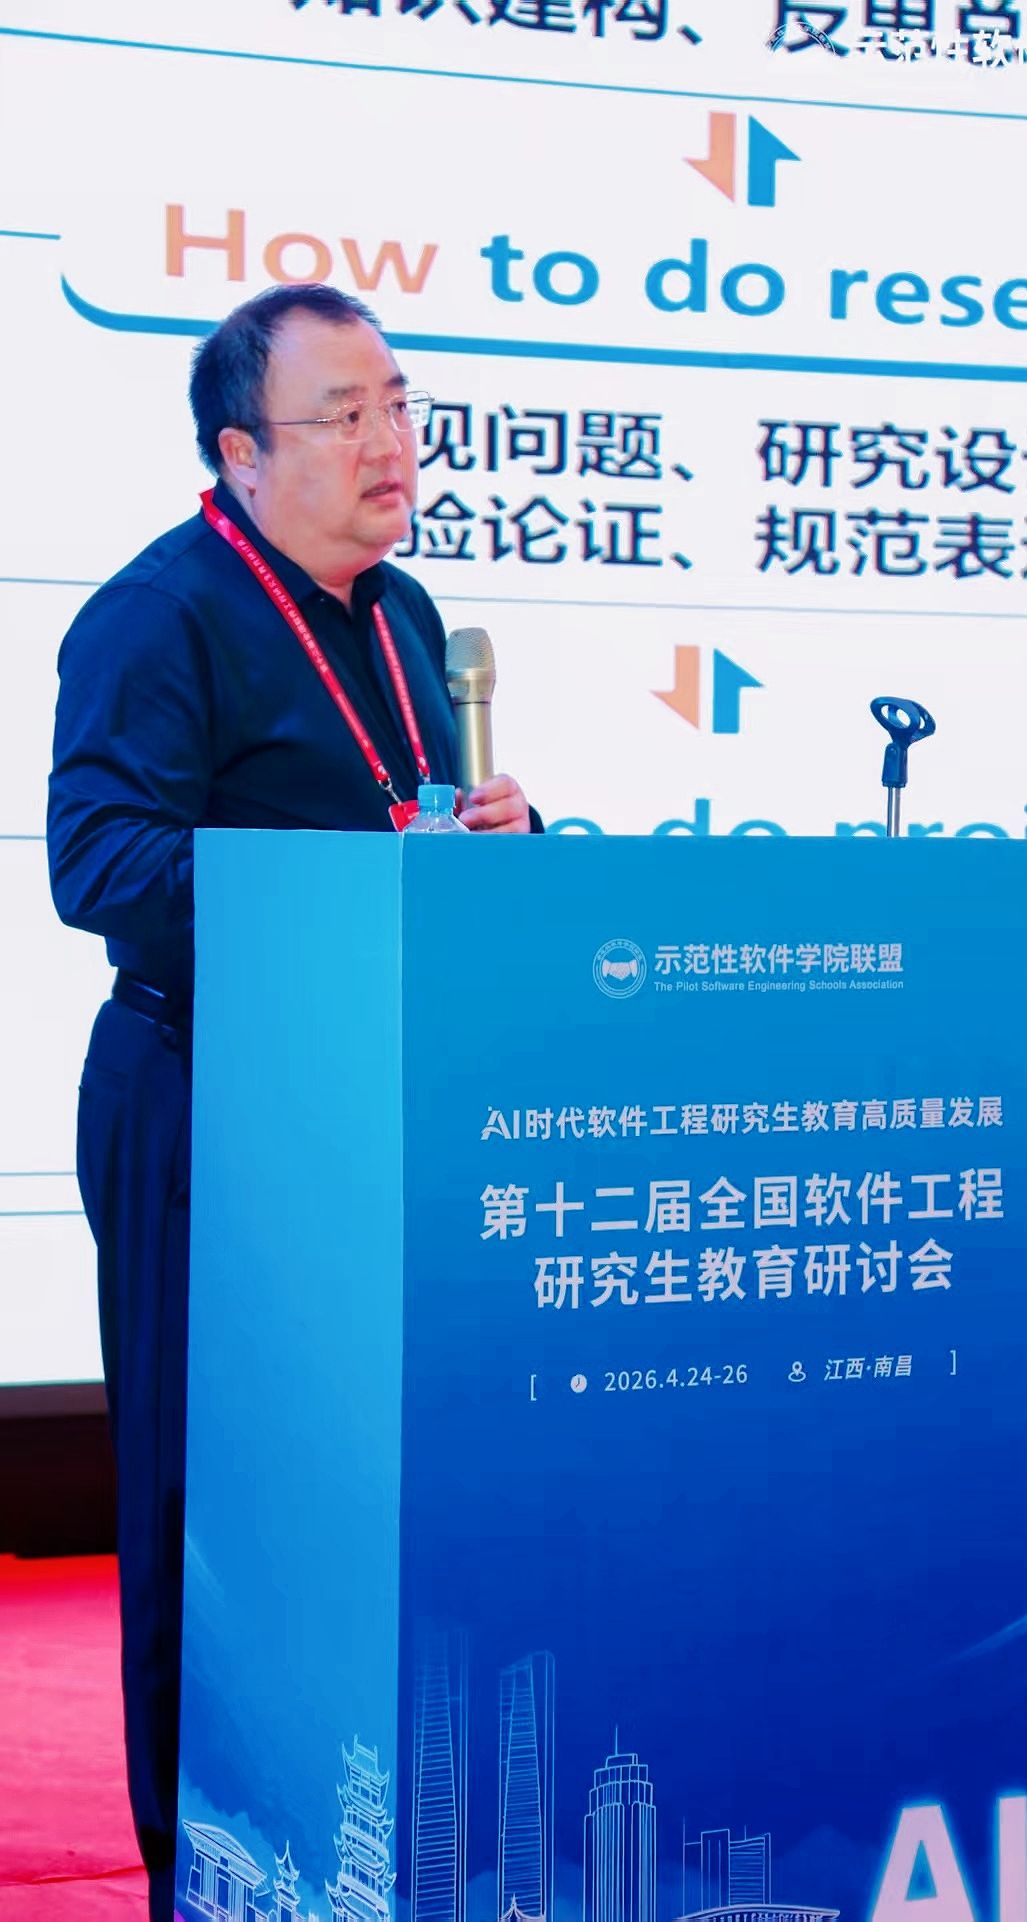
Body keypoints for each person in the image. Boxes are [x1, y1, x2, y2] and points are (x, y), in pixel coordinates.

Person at [46, 282, 536, 1922]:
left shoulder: (405, 617)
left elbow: (406, 834)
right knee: (212, 1500)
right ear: (241, 454)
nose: (390, 443)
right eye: (345, 415)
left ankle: (359, 1840)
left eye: (399, 404)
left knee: (360, 1490)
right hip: (205, 1100)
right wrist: (351, 880)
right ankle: (202, 1861)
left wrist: (497, 846)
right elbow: (100, 867)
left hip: (370, 1106)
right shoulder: (156, 618)